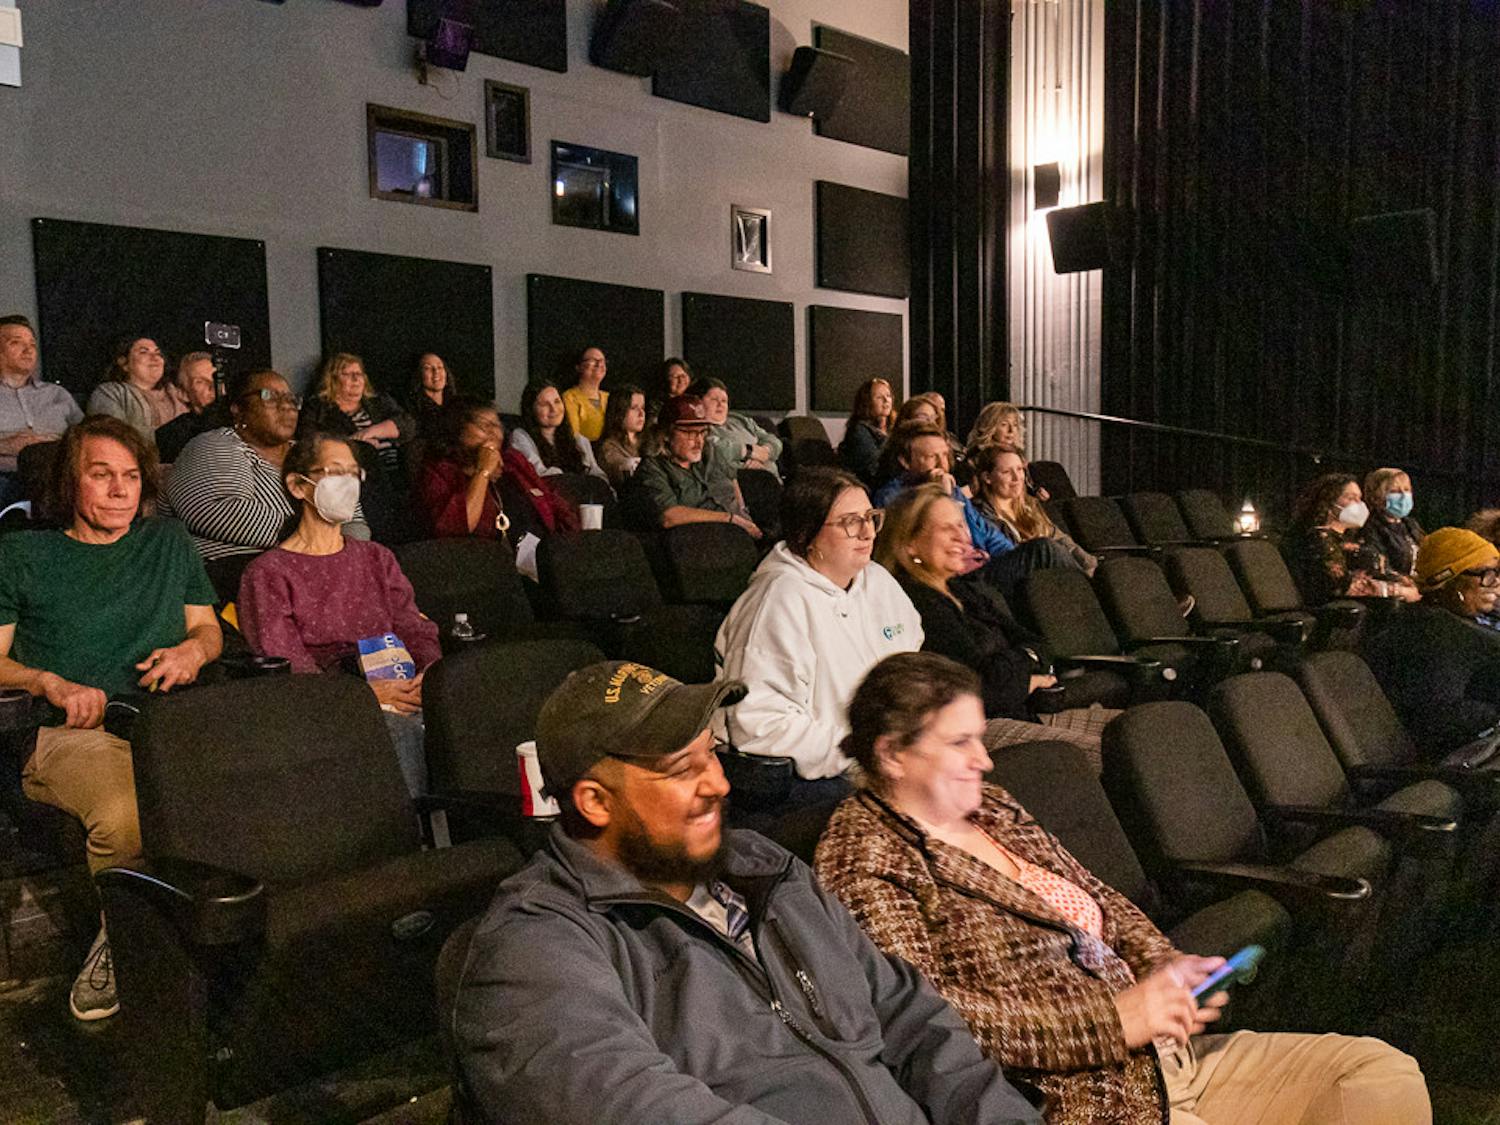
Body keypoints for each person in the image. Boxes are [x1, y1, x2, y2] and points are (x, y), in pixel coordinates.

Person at [815, 651, 1433, 1125]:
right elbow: (926, 1020)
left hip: (1166, 1063)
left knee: (1379, 1075)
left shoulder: (992, 808)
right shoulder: (864, 855)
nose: (985, 758)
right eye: (959, 743)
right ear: (893, 754)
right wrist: (1115, 1021)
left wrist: (1167, 969)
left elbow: (1102, 900)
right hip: (1086, 1100)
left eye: (980, 736)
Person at [451, 659, 1042, 1125]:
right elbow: (624, 1106)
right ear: (596, 802)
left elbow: (913, 1020)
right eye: (683, 768)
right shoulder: (534, 946)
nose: (720, 783)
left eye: (713, 752)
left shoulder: (763, 870)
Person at [0, 415, 222, 1022]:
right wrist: (47, 679)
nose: (121, 490)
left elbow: (207, 630)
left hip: (166, 722)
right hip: (67, 734)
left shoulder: (168, 541)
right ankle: (122, 947)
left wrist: (191, 651)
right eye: (102, 476)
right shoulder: (22, 553)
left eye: (130, 476)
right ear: (71, 484)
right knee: (126, 810)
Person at [237, 434, 439, 797]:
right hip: (331, 705)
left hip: (405, 685)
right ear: (298, 486)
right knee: (398, 733)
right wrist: (363, 696)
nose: (346, 484)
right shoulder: (268, 573)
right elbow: (288, 662)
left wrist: (429, 674)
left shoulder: (377, 557)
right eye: (335, 472)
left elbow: (413, 626)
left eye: (353, 474)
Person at [715, 466, 920, 791]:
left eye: (870, 517)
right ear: (807, 535)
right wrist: (866, 751)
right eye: (851, 522)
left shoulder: (878, 580)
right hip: (836, 776)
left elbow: (913, 666)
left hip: (905, 749)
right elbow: (760, 725)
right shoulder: (778, 599)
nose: (868, 532)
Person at [161, 368, 369, 593]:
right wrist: (315, 540)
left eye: (291, 399)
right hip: (231, 575)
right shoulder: (216, 445)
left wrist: (341, 557)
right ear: (237, 409)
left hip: (317, 567)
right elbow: (218, 513)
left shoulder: (311, 454)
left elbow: (353, 519)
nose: (287, 405)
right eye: (269, 396)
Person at [876, 485, 1054, 722]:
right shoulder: (917, 601)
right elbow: (981, 688)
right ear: (910, 542)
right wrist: (1026, 670)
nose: (963, 537)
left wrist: (1019, 671)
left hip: (1018, 712)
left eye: (961, 525)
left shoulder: (961, 589)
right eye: (947, 528)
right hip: (973, 728)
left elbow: (1038, 643)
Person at [874, 422, 1075, 599]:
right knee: (1044, 549)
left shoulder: (953, 490)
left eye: (945, 455)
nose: (942, 464)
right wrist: (942, 495)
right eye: (931, 457)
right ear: (905, 461)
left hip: (983, 566)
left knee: (1041, 565)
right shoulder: (892, 496)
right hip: (954, 577)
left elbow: (988, 534)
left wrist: (1016, 559)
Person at [1365, 527, 1500, 756]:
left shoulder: (1470, 617)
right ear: (1449, 580)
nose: (1496, 582)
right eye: (1486, 574)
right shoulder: (1429, 634)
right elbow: (1440, 716)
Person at [417, 400, 577, 546]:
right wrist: (483, 472)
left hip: (542, 558)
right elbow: (455, 527)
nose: (494, 433)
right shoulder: (440, 472)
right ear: (457, 430)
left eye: (496, 425)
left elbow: (552, 503)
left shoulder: (513, 460)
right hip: (484, 568)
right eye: (484, 426)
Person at [628, 395, 760, 536]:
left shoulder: (706, 458)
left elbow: (732, 484)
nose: (699, 441)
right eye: (690, 433)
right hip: (691, 545)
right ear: (666, 434)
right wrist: (729, 519)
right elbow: (669, 516)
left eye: (702, 432)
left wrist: (742, 517)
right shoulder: (652, 469)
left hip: (730, 535)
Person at [1285, 473, 1417, 606]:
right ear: (1330, 503)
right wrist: (1397, 590)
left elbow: (1381, 570)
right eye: (1351, 498)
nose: (1360, 504)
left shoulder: (1349, 540)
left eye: (1360, 498)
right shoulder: (1319, 538)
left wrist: (1405, 582)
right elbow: (1341, 585)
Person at [969, 444, 1096, 574]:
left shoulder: (1030, 505)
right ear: (987, 477)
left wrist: (1091, 566)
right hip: (1017, 580)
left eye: (1019, 469)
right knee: (1045, 548)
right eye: (1006, 472)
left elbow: (1061, 539)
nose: (1017, 478)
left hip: (1047, 578)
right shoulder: (978, 514)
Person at [0, 314, 82, 495]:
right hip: (7, 477)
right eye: (16, 342)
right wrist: (6, 445)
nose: (28, 350)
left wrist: (54, 443)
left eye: (32, 344)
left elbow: (87, 437)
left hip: (60, 477)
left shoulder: (56, 394)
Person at [297, 353, 414, 474]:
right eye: (347, 374)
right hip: (352, 474)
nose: (356, 379)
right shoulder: (318, 409)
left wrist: (370, 432)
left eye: (359, 374)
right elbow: (309, 443)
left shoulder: (379, 402)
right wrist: (356, 444)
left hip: (395, 473)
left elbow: (408, 424)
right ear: (332, 379)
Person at [86, 335, 187, 440]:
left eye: (158, 353)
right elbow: (111, 437)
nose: (155, 357)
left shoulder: (178, 394)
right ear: (124, 363)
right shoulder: (110, 393)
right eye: (144, 352)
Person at [509, 377, 607, 481]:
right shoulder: (520, 437)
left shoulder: (580, 441)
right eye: (544, 404)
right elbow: (539, 474)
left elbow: (598, 475)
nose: (554, 409)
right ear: (531, 409)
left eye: (557, 401)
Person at [691, 375, 782, 480]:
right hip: (737, 487)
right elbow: (715, 451)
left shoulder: (739, 419)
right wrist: (750, 452)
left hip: (774, 484)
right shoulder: (698, 428)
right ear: (698, 402)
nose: (720, 404)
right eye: (714, 400)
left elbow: (773, 440)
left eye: (724, 400)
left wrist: (766, 451)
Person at [154, 351, 222, 463]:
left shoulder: (244, 425)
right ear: (183, 394)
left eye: (216, 378)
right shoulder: (170, 436)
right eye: (200, 382)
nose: (212, 385)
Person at [1361, 467, 1425, 578]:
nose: (1404, 496)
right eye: (1395, 491)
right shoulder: (1370, 528)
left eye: (1407, 489)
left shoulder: (1411, 525)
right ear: (1376, 497)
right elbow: (1380, 568)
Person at [838, 376, 894, 486]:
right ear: (867, 403)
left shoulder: (894, 428)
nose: (886, 400)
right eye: (879, 397)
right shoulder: (859, 431)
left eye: (888, 396)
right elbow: (873, 470)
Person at [593, 381, 647, 489]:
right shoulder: (609, 447)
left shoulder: (649, 441)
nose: (641, 414)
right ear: (618, 412)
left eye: (643, 408)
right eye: (634, 408)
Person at [406, 352, 459, 440]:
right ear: (418, 375)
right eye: (427, 368)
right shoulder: (412, 410)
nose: (436, 371)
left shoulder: (458, 405)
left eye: (440, 367)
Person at [561, 345, 608, 442]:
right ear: (578, 367)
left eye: (602, 361)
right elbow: (574, 436)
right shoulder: (570, 397)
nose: (599, 364)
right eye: (593, 360)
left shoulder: (609, 397)